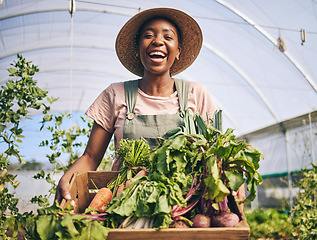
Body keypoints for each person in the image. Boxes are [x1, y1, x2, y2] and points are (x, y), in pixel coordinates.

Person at [55, 7, 245, 205]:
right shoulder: (115, 94)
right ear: (138, 49)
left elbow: (216, 152)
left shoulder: (196, 94)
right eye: (148, 35)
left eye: (168, 37)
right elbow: (91, 156)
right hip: (123, 202)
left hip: (183, 204)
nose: (158, 41)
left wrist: (232, 174)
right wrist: (68, 178)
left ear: (178, 51)